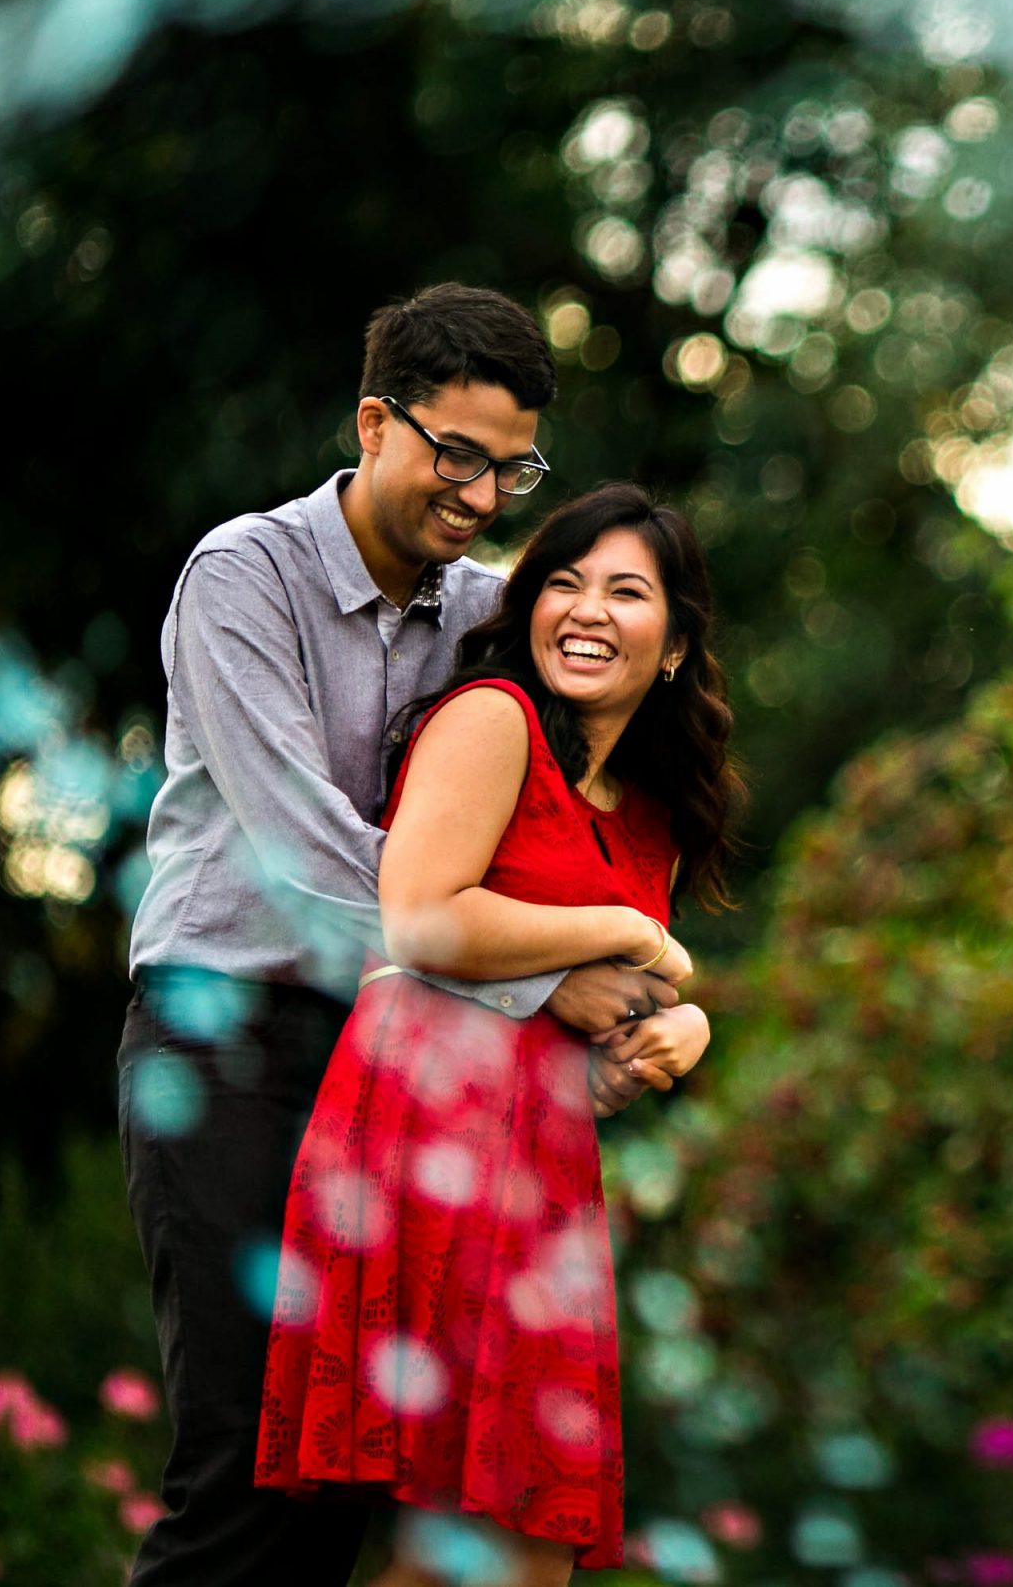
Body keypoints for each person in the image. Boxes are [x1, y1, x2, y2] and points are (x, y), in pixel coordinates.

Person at [119, 285, 686, 1587]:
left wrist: (664, 991)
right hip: (231, 1041)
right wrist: (551, 967)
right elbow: (303, 850)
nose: (483, 495)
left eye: (515, 466)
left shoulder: (493, 611)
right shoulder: (243, 576)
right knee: (243, 1463)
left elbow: (575, 808)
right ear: (374, 422)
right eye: (458, 454)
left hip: (410, 1073)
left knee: (350, 1474)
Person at [256, 484, 739, 1586]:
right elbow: (421, 915)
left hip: (539, 1163)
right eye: (562, 581)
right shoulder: (491, 718)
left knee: (519, 1550)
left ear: (675, 643)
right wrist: (627, 932)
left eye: (626, 590)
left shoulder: (655, 808)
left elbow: (584, 1010)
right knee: (474, 1547)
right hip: (426, 1134)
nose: (586, 609)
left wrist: (681, 1026)